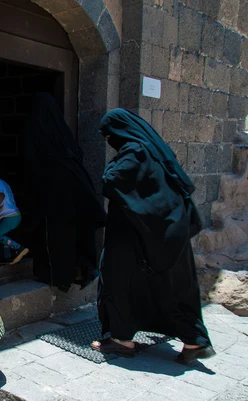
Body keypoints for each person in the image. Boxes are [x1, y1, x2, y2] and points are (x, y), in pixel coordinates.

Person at [91, 108, 214, 364]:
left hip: (134, 235)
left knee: (117, 279)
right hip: (165, 232)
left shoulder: (134, 151)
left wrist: (109, 168)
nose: (108, 141)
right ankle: (194, 341)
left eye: (108, 135)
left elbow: (111, 180)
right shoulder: (154, 150)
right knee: (172, 287)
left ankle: (121, 340)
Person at [23, 93, 106, 292]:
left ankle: (57, 275)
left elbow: (32, 165)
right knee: (71, 233)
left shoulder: (34, 130)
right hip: (73, 186)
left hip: (53, 190)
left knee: (54, 236)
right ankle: (77, 271)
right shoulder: (62, 131)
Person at [0, 171, 29, 265]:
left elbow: (1, 196)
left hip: (10, 216)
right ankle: (8, 257)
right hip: (14, 215)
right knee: (3, 235)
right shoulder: (4, 183)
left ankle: (19, 248)